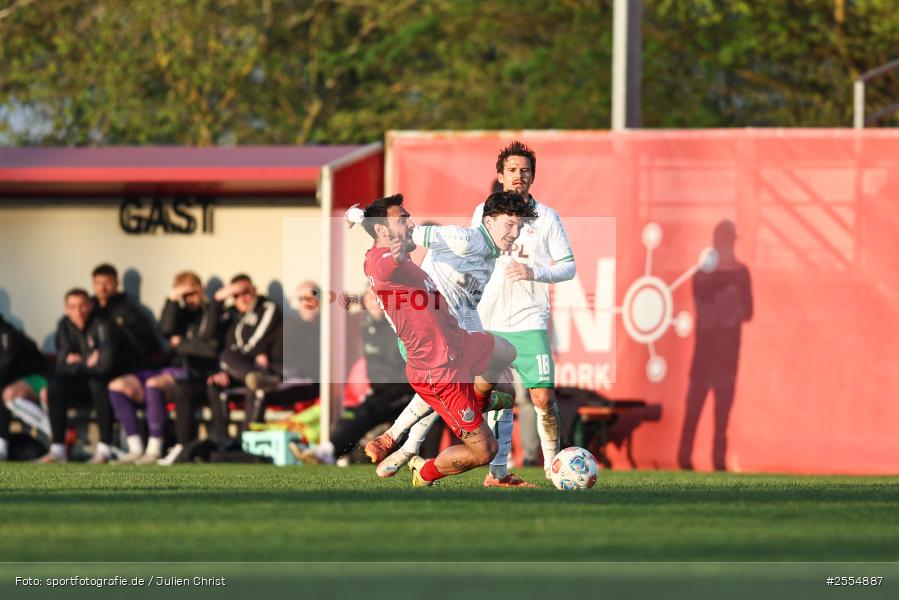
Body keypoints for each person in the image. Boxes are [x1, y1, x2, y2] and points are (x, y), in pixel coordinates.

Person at [364, 190, 538, 487]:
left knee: (506, 356)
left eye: (519, 226)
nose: (515, 232)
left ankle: (464, 421)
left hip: (456, 339)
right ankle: (419, 463)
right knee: (484, 448)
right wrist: (393, 250)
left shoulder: (483, 252)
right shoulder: (461, 240)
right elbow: (387, 263)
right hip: (436, 361)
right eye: (509, 224)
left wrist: (364, 220)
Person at [472, 141, 577, 483]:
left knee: (543, 397)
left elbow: (568, 267)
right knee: (500, 397)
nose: (519, 175)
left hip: (530, 320)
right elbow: (472, 255)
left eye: (525, 170)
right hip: (490, 320)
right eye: (513, 170)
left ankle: (553, 469)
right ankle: (497, 473)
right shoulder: (482, 212)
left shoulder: (546, 217)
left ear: (533, 176)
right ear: (500, 175)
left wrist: (534, 271)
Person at [291, 286, 413, 465]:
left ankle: (328, 453)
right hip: (379, 392)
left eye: (380, 295)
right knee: (351, 415)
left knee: (368, 411)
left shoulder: (402, 324)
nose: (374, 300)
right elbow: (338, 318)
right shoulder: (366, 324)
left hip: (407, 390)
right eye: (370, 296)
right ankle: (334, 454)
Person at [677, 220, 753, 471]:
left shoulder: (741, 274)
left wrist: (727, 304)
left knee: (722, 418)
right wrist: (728, 302)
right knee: (693, 412)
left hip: (727, 360)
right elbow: (707, 311)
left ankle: (718, 461)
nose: (728, 247)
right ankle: (684, 458)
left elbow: (747, 311)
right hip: (704, 358)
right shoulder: (702, 275)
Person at [40, 289, 141, 463]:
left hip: (111, 384)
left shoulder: (104, 323)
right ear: (66, 309)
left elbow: (104, 367)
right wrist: (88, 361)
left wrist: (78, 361)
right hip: (84, 382)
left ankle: (104, 448)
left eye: (82, 306)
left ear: (90, 306)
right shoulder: (64, 326)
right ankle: (57, 449)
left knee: (98, 382)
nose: (78, 312)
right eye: (73, 307)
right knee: (55, 386)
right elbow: (62, 366)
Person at [158, 273, 232, 465]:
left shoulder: (212, 311)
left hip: (213, 371)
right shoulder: (179, 313)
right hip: (191, 374)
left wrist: (182, 343)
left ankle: (223, 445)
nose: (190, 297)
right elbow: (166, 331)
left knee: (215, 386)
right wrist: (172, 299)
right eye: (185, 294)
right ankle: (184, 447)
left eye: (193, 291)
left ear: (202, 289)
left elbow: (211, 347)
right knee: (182, 388)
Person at [205, 274, 283, 439]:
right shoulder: (230, 315)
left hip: (261, 368)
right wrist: (218, 299)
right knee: (215, 383)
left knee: (251, 380)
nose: (242, 298)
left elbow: (257, 340)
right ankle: (222, 441)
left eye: (245, 292)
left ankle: (246, 441)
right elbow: (209, 336)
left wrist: (231, 362)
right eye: (236, 295)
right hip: (241, 370)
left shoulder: (267, 308)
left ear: (254, 290)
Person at [0, 315, 51, 461]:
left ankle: (54, 432)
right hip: (14, 381)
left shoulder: (6, 333)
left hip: (39, 377)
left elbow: (5, 365)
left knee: (7, 394)